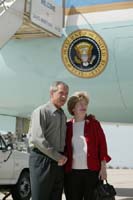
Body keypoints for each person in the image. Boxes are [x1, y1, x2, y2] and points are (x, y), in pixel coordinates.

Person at [64, 91, 111, 200]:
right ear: (73, 108)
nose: (83, 106)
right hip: (72, 174)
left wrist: (103, 168)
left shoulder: (94, 124)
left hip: (92, 172)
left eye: (85, 104)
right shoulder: (67, 126)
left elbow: (102, 146)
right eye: (80, 104)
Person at [28, 81, 69, 200]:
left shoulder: (62, 115)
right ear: (52, 93)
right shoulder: (41, 111)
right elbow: (37, 139)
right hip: (42, 161)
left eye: (66, 94)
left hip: (58, 162)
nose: (64, 97)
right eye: (61, 93)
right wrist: (58, 156)